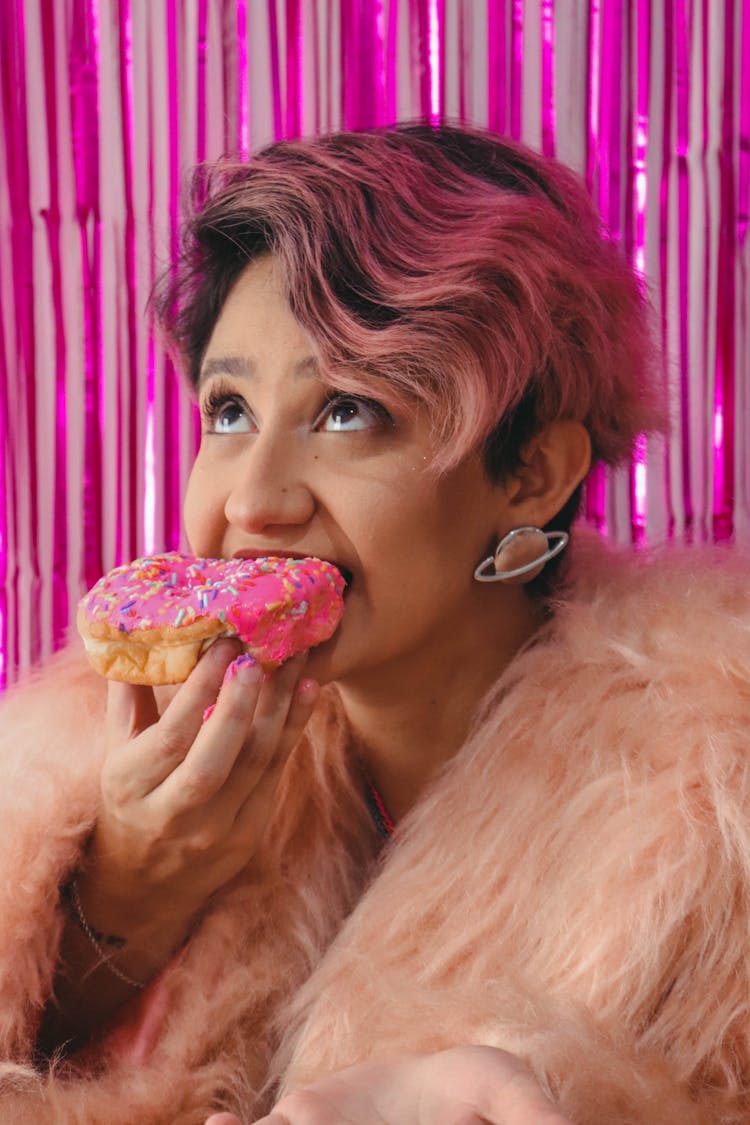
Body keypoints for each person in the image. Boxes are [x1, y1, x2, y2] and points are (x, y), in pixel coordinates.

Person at [0, 123, 748, 1125]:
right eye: (228, 412)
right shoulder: (85, 751)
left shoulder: (711, 813)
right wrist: (125, 899)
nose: (254, 500)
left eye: (347, 410)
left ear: (531, 475)